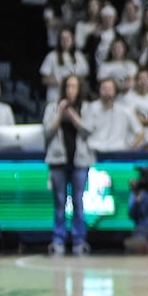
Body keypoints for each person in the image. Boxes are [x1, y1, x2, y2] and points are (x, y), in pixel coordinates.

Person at [43, 73, 95, 256]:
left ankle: (78, 240)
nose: (71, 90)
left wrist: (73, 115)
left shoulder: (87, 108)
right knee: (59, 201)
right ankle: (58, 239)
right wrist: (59, 114)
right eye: (68, 86)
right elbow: (47, 132)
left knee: (78, 202)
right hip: (58, 161)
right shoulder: (52, 108)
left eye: (74, 86)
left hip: (80, 161)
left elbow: (89, 130)